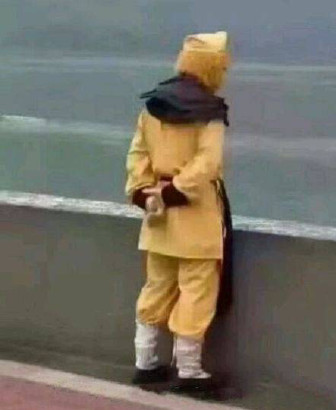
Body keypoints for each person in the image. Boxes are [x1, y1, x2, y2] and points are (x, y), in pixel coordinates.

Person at [124, 31, 232, 398]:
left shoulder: (153, 106)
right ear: (213, 66)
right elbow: (208, 163)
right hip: (195, 215)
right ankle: (189, 369)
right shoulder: (209, 113)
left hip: (156, 216)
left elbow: (138, 153)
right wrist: (177, 190)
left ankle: (146, 363)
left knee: (156, 287)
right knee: (197, 291)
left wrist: (143, 192)